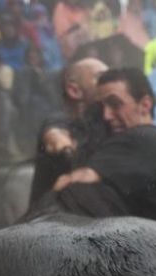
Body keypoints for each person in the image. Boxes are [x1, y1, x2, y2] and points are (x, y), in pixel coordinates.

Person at [49, 67, 156, 225]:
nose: (106, 116)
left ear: (145, 105)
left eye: (115, 104)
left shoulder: (131, 139)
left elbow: (71, 182)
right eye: (101, 108)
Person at [29, 57, 111, 203]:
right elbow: (56, 139)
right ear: (74, 90)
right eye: (101, 77)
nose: (110, 83)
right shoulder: (60, 120)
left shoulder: (106, 125)